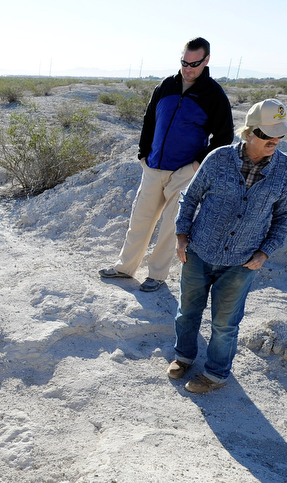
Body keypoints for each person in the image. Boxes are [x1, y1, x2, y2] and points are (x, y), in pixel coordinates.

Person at [167, 99, 287, 393]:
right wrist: (181, 236)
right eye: (267, 134)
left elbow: (285, 217)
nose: (275, 140)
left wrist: (265, 252)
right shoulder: (218, 159)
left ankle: (215, 374)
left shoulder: (286, 171)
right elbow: (191, 198)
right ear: (250, 132)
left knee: (225, 323)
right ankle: (184, 356)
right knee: (187, 311)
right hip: (199, 252)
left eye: (280, 135)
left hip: (242, 262)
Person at [99, 37, 233, 292]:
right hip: (153, 167)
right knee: (140, 219)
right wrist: (143, 155)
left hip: (184, 172)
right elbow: (149, 121)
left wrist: (196, 164)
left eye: (194, 63)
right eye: (184, 62)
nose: (188, 68)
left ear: (206, 61)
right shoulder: (165, 86)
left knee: (171, 225)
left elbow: (225, 137)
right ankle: (125, 268)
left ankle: (156, 276)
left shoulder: (213, 94)